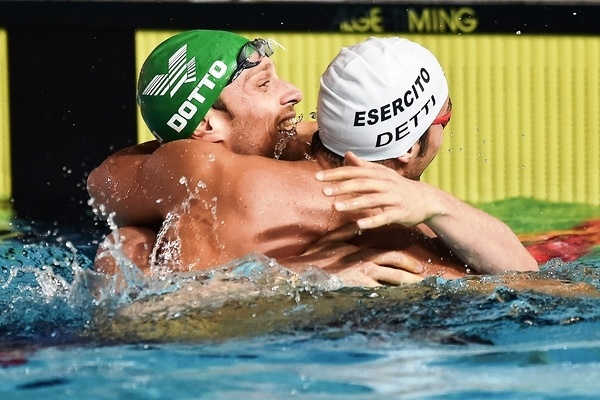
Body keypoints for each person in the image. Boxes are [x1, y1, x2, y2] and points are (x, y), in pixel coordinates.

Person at [88, 33, 538, 286]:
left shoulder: (190, 170)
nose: (293, 94)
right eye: (263, 85)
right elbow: (534, 283)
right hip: (254, 345)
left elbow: (101, 183)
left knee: (123, 246)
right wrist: (301, 279)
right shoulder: (399, 241)